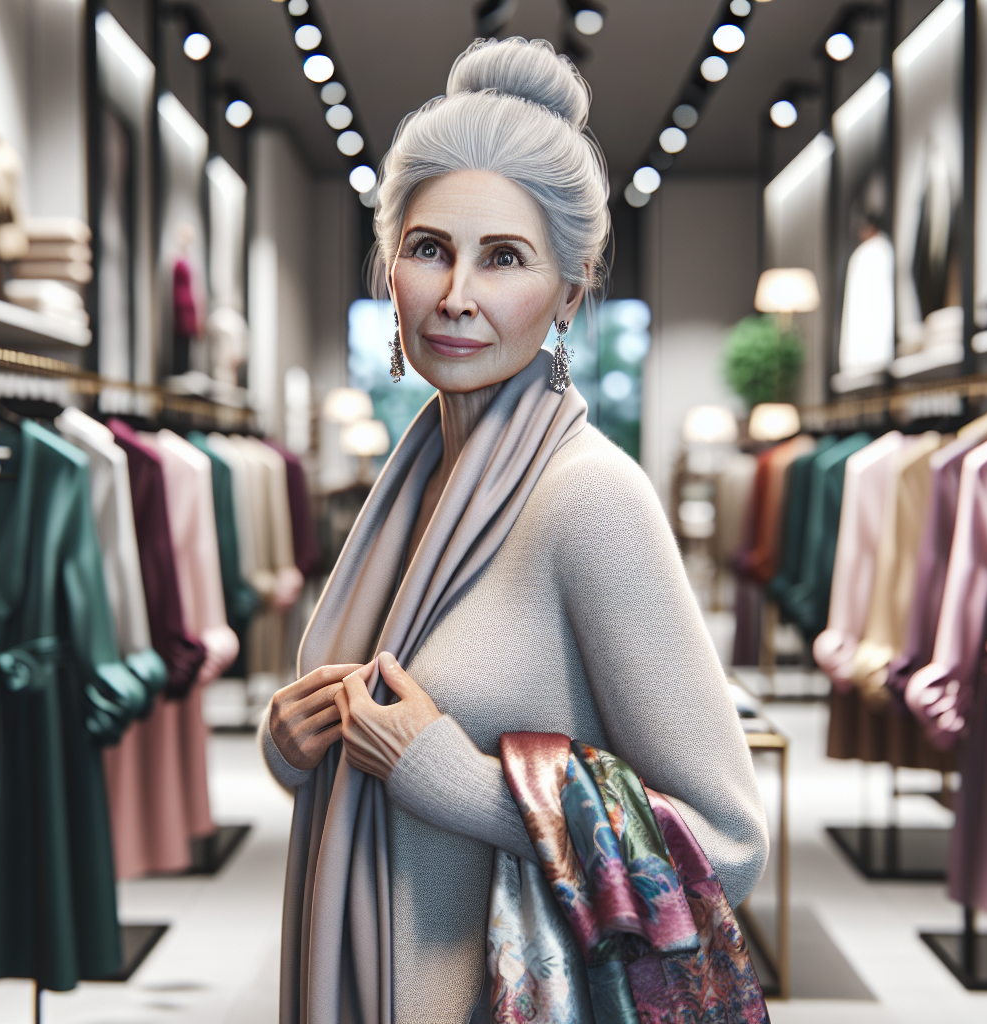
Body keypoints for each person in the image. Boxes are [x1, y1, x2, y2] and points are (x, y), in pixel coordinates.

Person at [260, 36, 768, 1024]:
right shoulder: (411, 485)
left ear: (570, 291)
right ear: (388, 265)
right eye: (428, 248)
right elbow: (362, 750)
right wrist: (293, 742)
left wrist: (454, 780)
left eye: (503, 259)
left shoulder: (587, 498)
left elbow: (727, 844)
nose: (456, 294)